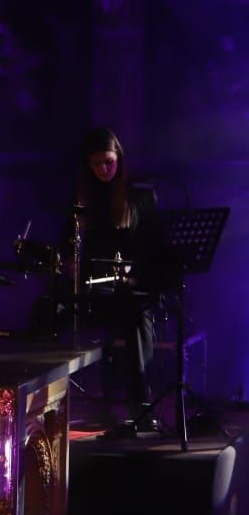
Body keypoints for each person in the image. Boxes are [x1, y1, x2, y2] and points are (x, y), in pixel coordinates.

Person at [69, 127, 174, 431]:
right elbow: (69, 244)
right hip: (92, 292)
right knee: (46, 309)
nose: (104, 169)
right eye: (97, 164)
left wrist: (135, 275)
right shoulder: (81, 199)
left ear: (120, 159)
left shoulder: (139, 197)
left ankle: (140, 406)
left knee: (137, 318)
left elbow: (155, 248)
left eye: (109, 162)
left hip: (128, 291)